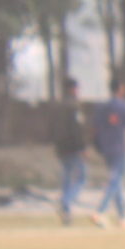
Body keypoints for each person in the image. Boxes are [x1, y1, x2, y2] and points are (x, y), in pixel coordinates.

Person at [90, 77, 125, 227]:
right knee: (115, 180)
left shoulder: (102, 107)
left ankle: (122, 217)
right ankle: (100, 211)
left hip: (106, 147)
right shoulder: (124, 107)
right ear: (120, 89)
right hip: (119, 147)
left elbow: (95, 128)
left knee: (117, 181)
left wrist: (96, 143)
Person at [49, 78, 90, 225]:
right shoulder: (74, 107)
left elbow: (53, 128)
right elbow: (77, 129)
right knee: (81, 178)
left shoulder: (58, 107)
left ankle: (66, 214)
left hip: (61, 148)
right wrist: (82, 147)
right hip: (73, 148)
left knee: (66, 178)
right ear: (73, 89)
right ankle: (65, 202)